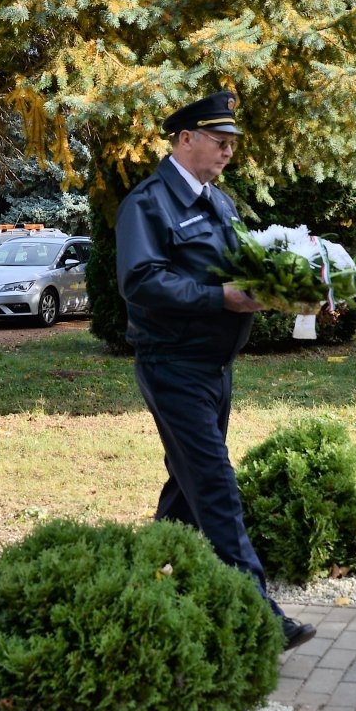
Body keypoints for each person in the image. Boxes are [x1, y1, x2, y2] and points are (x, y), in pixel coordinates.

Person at [116, 91, 316, 650]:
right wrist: (218, 297)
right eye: (219, 141)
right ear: (185, 140)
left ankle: (144, 586)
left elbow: (242, 267)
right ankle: (260, 616)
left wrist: (293, 287)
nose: (228, 151)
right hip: (172, 365)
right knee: (214, 485)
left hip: (215, 367)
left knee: (187, 490)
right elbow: (140, 280)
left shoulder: (219, 203)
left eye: (232, 143)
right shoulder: (148, 204)